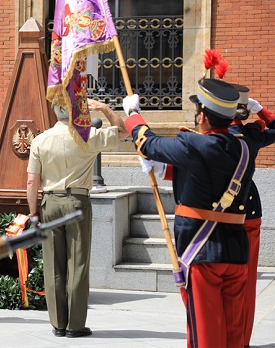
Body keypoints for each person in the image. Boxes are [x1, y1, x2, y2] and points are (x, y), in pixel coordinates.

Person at [123, 77, 267, 347]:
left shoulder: (193, 145)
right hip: (236, 251)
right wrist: (165, 170)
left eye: (196, 111)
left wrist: (133, 115)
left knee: (206, 332)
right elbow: (206, 178)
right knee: (233, 333)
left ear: (203, 117)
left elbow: (148, 143)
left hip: (202, 252)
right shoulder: (245, 147)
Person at [26, 99, 128, 338]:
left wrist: (33, 213)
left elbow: (31, 181)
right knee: (78, 264)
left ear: (54, 111)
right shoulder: (88, 135)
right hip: (76, 201)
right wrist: (103, 108)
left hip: (49, 202)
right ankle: (75, 325)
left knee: (53, 265)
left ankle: (58, 323)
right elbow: (123, 131)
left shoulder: (40, 139)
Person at [227, 85, 275, 347]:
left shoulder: (208, 137)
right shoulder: (252, 136)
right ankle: (242, 339)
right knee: (245, 282)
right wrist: (262, 111)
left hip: (215, 212)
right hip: (249, 208)